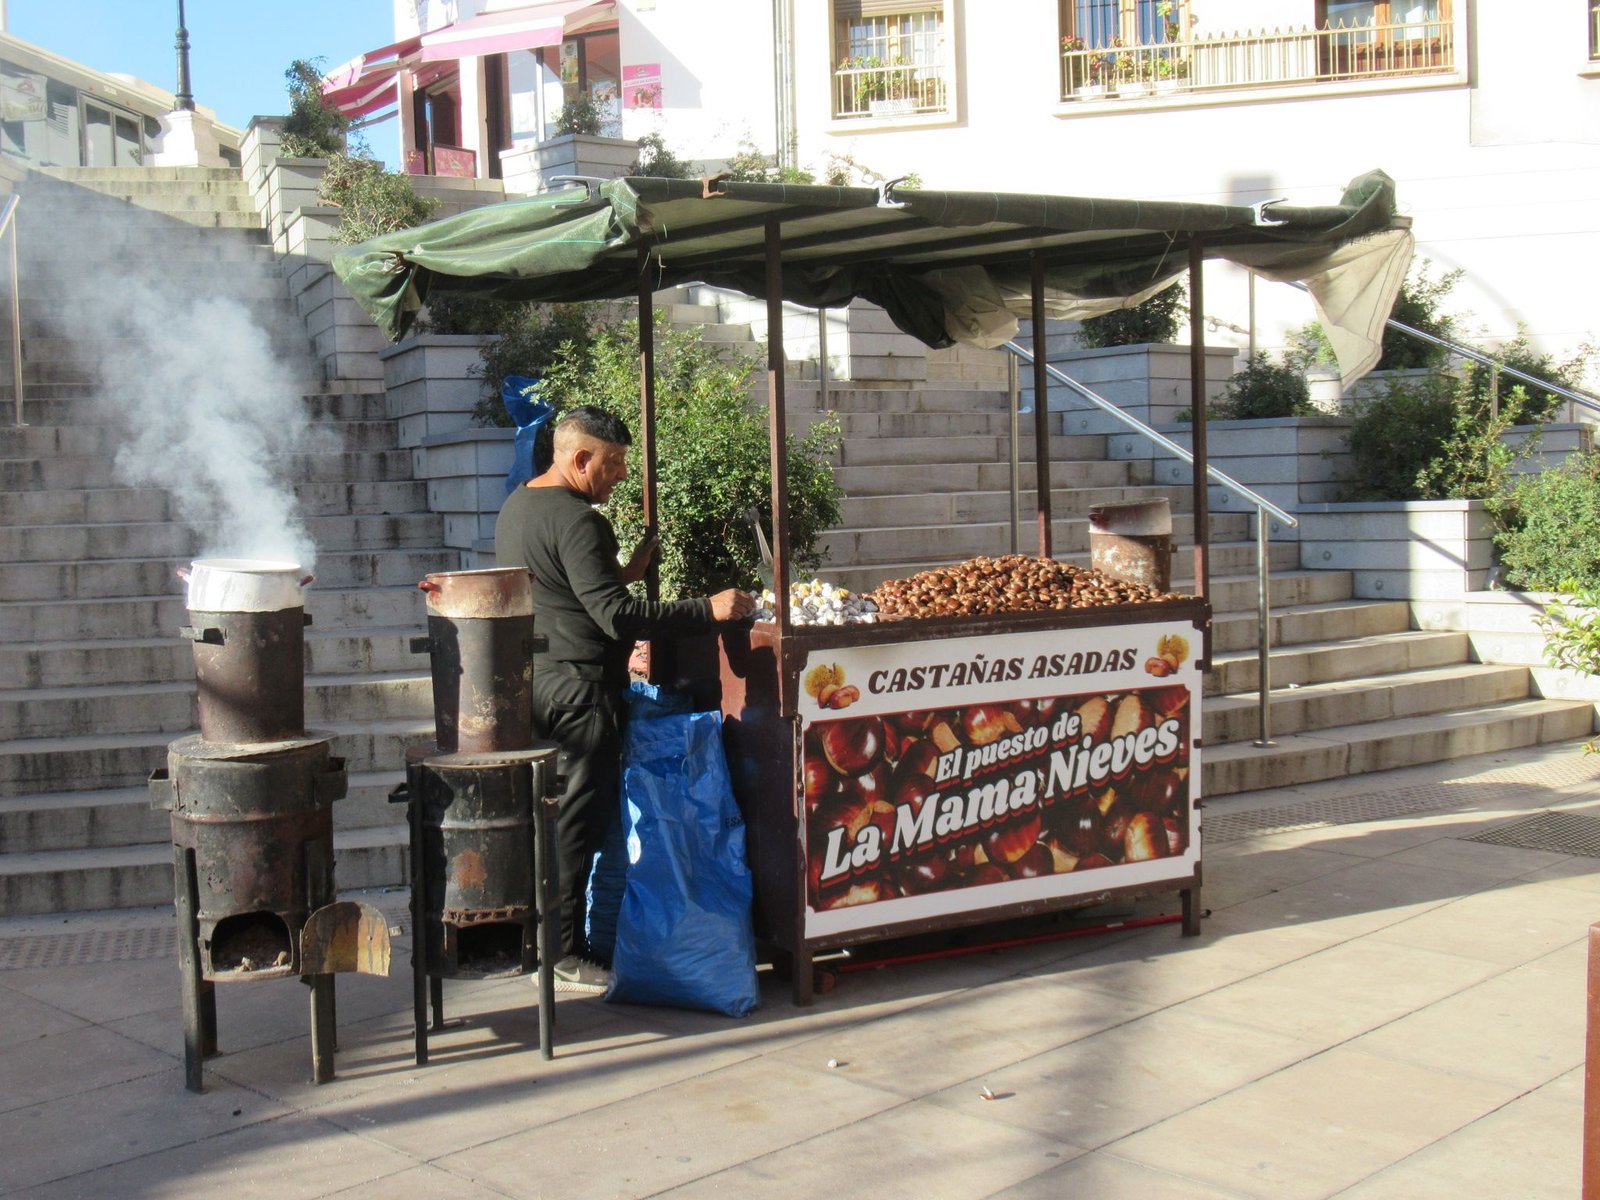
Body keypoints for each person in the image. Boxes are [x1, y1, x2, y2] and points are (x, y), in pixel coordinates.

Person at [494, 405, 755, 993]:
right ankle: (562, 954)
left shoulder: (519, 507)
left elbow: (569, 591)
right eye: (611, 466)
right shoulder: (582, 521)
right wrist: (704, 611)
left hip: (537, 683)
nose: (618, 477)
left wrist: (627, 572)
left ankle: (551, 941)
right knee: (577, 827)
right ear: (579, 458)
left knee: (560, 820)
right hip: (583, 694)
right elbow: (614, 619)